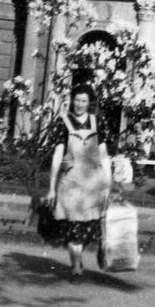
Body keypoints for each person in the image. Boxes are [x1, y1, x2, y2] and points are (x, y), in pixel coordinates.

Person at [44, 86, 111, 277]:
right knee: (72, 228)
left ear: (89, 102)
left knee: (87, 227)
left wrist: (108, 184)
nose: (79, 104)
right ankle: (77, 265)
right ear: (72, 100)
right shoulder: (63, 122)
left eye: (84, 101)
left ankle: (77, 259)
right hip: (70, 182)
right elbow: (58, 156)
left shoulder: (98, 122)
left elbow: (104, 155)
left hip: (93, 183)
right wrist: (51, 187)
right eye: (77, 100)